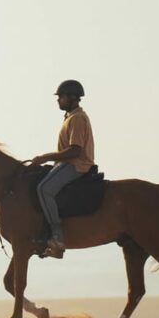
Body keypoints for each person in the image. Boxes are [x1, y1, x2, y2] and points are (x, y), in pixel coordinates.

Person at [31, 80, 95, 258]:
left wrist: (46, 157)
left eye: (61, 97)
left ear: (73, 98)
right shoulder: (70, 118)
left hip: (77, 165)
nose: (58, 100)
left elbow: (75, 150)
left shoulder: (77, 119)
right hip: (67, 164)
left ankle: (57, 236)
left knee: (44, 189)